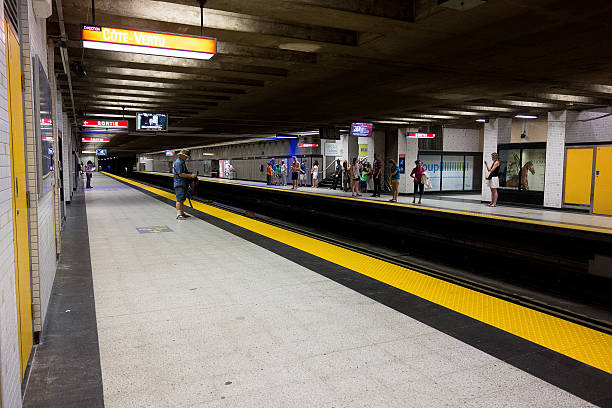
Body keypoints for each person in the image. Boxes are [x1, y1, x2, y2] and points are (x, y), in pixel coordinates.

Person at [173, 149, 197, 220]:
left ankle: (182, 213)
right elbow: (180, 174)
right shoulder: (178, 163)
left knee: (182, 199)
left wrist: (189, 173)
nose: (187, 158)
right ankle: (178, 215)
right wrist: (191, 176)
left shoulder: (182, 162)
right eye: (186, 156)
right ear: (182, 155)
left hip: (182, 183)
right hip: (179, 184)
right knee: (179, 200)